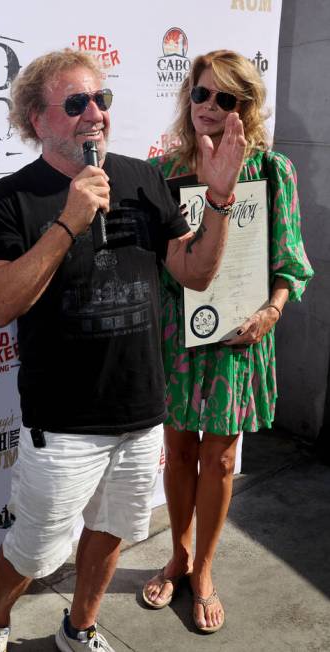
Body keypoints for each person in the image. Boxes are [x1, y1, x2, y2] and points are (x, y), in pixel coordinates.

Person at [0, 49, 246, 652]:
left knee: (112, 529)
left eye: (101, 99)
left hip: (142, 410)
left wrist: (221, 201)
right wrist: (69, 221)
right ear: (36, 119)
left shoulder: (143, 177)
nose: (94, 113)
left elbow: (195, 273)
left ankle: (81, 627)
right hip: (63, 421)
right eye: (75, 103)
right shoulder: (11, 198)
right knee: (33, 552)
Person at [141, 50, 313, 633]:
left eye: (225, 98)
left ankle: (205, 569)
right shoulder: (166, 171)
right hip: (177, 334)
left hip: (242, 334)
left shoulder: (272, 170)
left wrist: (271, 309)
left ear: (246, 107)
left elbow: (290, 262)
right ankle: (179, 556)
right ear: (187, 97)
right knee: (180, 448)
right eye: (200, 94)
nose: (209, 107)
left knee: (218, 457)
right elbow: (154, 264)